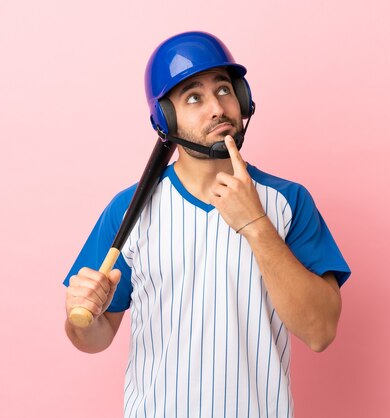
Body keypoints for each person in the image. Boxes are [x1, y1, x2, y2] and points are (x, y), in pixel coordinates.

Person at [63, 31, 351, 417]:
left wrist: (255, 223)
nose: (217, 107)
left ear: (242, 99)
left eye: (224, 90)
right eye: (194, 97)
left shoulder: (288, 202)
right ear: (166, 118)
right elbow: (94, 338)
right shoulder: (130, 209)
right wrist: (82, 317)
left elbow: (320, 332)